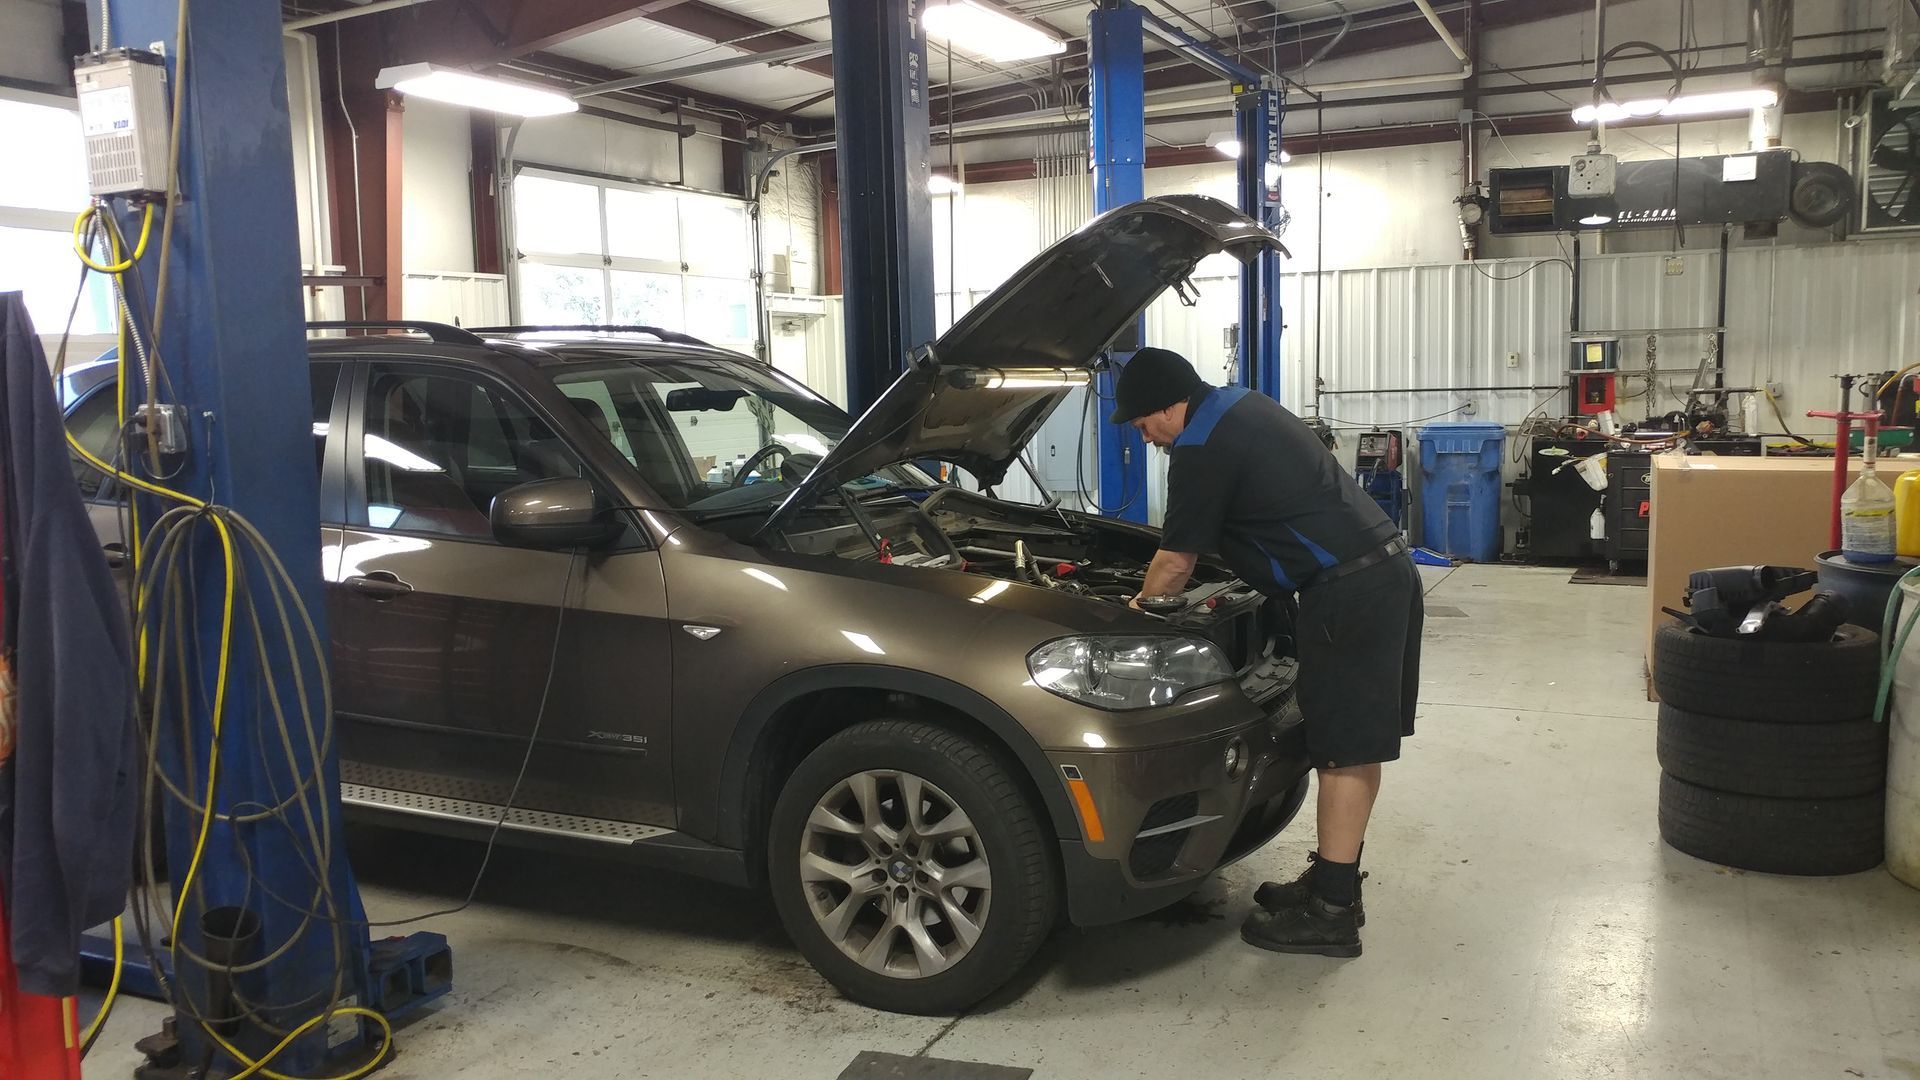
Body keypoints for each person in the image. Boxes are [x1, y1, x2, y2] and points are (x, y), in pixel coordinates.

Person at [1109, 347, 1423, 958]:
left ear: (1171, 406)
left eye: (1145, 425)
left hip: (1348, 591)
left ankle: (1333, 913)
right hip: (1376, 575)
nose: (1147, 439)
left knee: (1345, 748)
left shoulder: (1200, 447)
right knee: (1348, 742)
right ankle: (1332, 878)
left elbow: (1175, 562)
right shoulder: (1239, 404)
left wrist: (1127, 619)